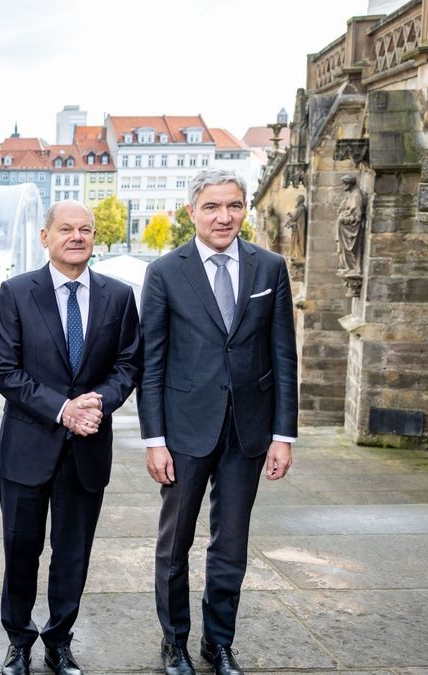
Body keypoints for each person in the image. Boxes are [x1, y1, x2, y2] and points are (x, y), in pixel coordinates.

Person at [138, 169, 297, 675]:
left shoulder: (269, 268)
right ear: (192, 213)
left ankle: (218, 642)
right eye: (212, 207)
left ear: (245, 208)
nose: (223, 216)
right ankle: (175, 642)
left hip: (248, 430)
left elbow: (283, 355)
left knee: (231, 544)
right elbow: (152, 362)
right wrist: (154, 440)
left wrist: (283, 434)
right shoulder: (165, 272)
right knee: (175, 543)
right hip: (184, 430)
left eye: (233, 205)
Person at [0, 201, 142, 675]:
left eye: (85, 230)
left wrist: (97, 403)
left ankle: (59, 640)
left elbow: (128, 363)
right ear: (45, 236)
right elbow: (3, 369)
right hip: (28, 447)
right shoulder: (16, 293)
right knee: (21, 550)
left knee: (73, 552)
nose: (76, 237)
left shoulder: (118, 296)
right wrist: (62, 409)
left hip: (88, 449)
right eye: (66, 229)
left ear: (95, 237)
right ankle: (18, 640)